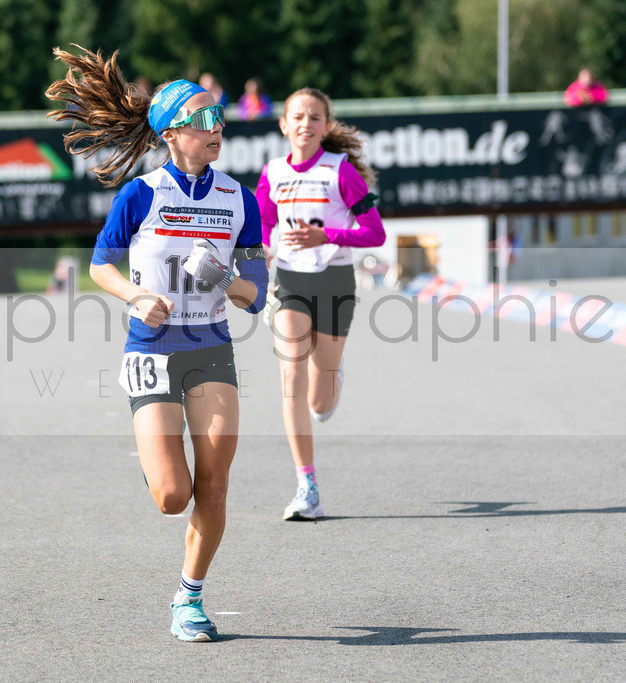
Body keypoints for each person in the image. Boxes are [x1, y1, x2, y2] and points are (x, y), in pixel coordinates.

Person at [47, 47, 268, 642]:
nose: (215, 128)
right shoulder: (140, 196)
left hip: (211, 348)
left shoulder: (238, 201)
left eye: (218, 116)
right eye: (201, 119)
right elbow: (100, 266)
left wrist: (224, 278)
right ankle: (157, 464)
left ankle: (189, 599)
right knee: (174, 496)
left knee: (216, 484)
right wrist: (135, 297)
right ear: (171, 134)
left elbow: (259, 295)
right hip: (151, 349)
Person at [256, 87, 386, 520]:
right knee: (290, 381)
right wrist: (262, 251)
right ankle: (306, 485)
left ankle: (332, 375)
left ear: (326, 126)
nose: (305, 124)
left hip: (335, 281)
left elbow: (375, 233)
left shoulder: (340, 172)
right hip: (291, 282)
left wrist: (325, 235)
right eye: (297, 116)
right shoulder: (273, 172)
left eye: (314, 118)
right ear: (284, 125)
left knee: (319, 401)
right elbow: (261, 225)